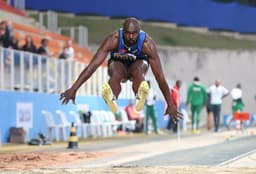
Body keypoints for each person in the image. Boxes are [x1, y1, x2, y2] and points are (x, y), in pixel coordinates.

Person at [59, 17, 182, 123]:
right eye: (127, 33)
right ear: (123, 32)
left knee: (138, 70)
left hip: (137, 65)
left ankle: (140, 94)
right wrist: (74, 88)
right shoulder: (113, 39)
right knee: (115, 72)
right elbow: (92, 66)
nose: (130, 37)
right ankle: (111, 97)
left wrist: (170, 104)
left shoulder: (147, 44)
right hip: (119, 65)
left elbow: (160, 77)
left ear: (139, 32)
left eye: (134, 33)